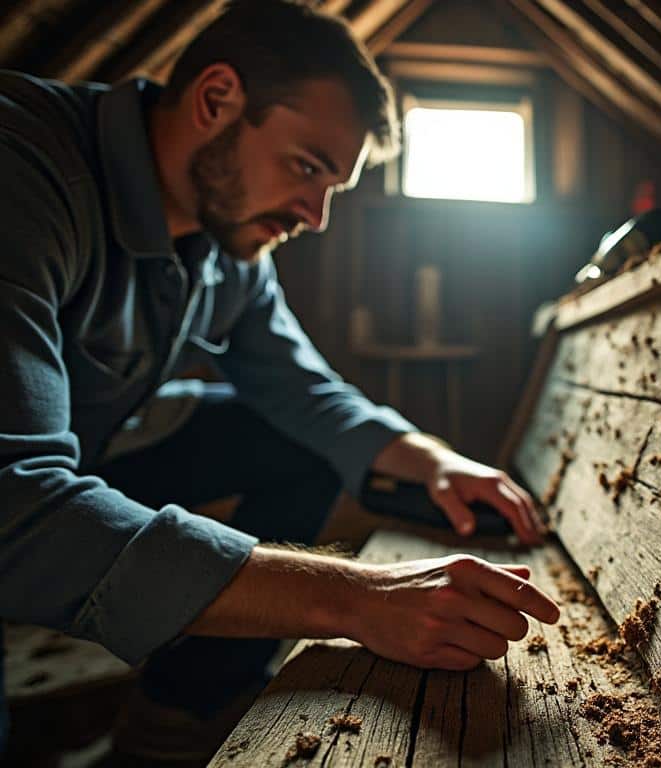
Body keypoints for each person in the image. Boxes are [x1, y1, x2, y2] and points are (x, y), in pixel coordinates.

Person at [0, 0, 560, 761]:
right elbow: (15, 501)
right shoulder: (21, 170)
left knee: (289, 440)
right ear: (215, 99)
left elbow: (302, 389)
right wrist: (354, 598)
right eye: (307, 167)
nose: (317, 215)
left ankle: (170, 722)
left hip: (91, 454)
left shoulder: (227, 245)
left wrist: (433, 459)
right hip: (19, 494)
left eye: (335, 186)